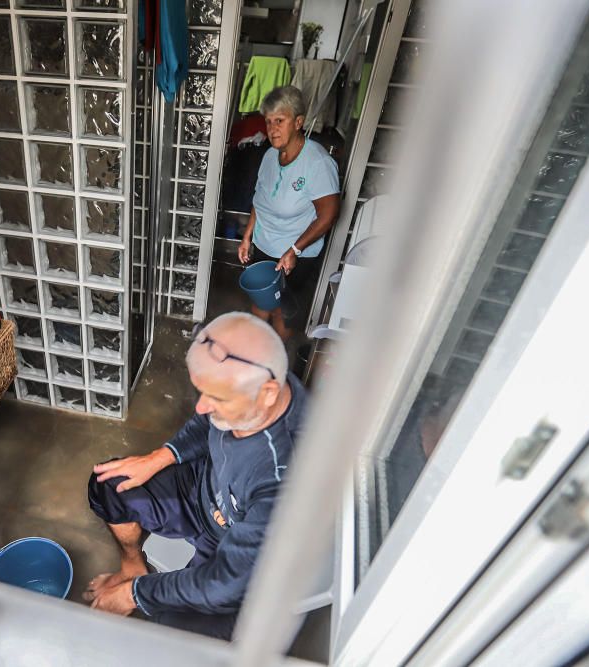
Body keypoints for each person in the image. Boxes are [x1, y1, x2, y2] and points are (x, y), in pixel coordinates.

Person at [84, 312, 308, 640]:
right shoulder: (251, 384)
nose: (201, 407)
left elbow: (225, 583)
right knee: (111, 484)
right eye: (202, 392)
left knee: (175, 631)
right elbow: (205, 423)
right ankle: (133, 564)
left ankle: (142, 586)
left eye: (215, 398)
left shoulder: (286, 476)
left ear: (269, 394)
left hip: (234, 548)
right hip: (199, 491)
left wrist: (134, 594)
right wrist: (159, 457)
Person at [238, 85, 341, 340]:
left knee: (282, 309)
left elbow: (328, 215)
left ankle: (276, 362)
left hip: (295, 253)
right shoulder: (270, 156)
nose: (272, 129)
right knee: (261, 303)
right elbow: (260, 200)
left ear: (298, 122)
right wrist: (248, 236)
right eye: (269, 121)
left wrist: (295, 250)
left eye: (279, 121)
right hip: (265, 244)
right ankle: (257, 354)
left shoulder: (318, 164)